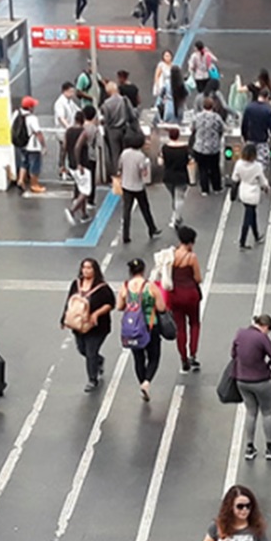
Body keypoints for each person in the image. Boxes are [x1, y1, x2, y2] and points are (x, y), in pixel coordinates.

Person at [231, 314, 271, 461]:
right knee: (267, 413)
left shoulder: (240, 333)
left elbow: (233, 353)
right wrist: (266, 364)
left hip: (242, 380)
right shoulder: (262, 338)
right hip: (261, 380)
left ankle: (249, 447)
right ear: (265, 326)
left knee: (251, 412)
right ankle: (270, 447)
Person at [61, 259, 115, 392]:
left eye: (89, 268)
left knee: (91, 351)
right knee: (82, 349)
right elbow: (69, 301)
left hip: (97, 327)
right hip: (80, 326)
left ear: (95, 270)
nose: (86, 270)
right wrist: (64, 318)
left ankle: (92, 379)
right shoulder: (76, 284)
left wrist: (96, 314)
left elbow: (111, 303)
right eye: (84, 267)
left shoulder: (102, 287)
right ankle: (98, 360)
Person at [117, 258, 166, 401]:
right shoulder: (150, 286)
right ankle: (147, 382)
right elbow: (162, 307)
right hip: (151, 325)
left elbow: (119, 306)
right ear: (144, 270)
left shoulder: (125, 286)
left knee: (138, 358)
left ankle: (141, 382)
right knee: (154, 357)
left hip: (133, 328)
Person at [200, 486, 269, 541]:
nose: (245, 510)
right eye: (240, 506)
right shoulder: (219, 526)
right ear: (230, 507)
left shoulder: (256, 529)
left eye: (248, 506)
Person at [169, 226, 202, 372]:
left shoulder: (171, 255)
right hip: (190, 294)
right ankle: (193, 354)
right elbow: (198, 278)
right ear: (191, 242)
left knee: (180, 328)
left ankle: (183, 358)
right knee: (194, 323)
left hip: (175, 295)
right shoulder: (191, 257)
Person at [119, 135, 162, 244]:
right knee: (145, 208)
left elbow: (120, 167)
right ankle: (152, 228)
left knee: (126, 211)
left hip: (126, 185)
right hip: (138, 186)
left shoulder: (125, 153)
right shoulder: (140, 156)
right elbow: (144, 172)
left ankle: (125, 235)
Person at [232, 143, 270, 251]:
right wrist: (266, 188)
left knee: (251, 213)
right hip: (253, 193)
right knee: (248, 218)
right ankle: (242, 241)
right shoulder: (257, 166)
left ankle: (257, 235)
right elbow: (262, 181)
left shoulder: (239, 164)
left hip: (243, 191)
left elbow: (235, 178)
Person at [191, 97, 225, 196]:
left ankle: (204, 189)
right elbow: (222, 128)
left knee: (202, 169)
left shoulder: (197, 117)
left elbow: (192, 128)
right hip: (213, 147)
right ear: (212, 106)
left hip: (200, 147)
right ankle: (216, 187)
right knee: (215, 168)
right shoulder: (216, 117)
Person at [101, 82, 136, 178]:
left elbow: (106, 120)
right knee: (126, 153)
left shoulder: (106, 104)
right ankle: (128, 174)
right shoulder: (125, 100)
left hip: (112, 131)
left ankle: (117, 175)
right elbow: (132, 115)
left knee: (115, 155)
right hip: (125, 130)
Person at [14, 96, 47, 194]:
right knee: (34, 165)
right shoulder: (32, 118)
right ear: (30, 107)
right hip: (32, 145)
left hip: (21, 143)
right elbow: (38, 133)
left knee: (24, 163)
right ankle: (34, 185)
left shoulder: (16, 114)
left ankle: (20, 180)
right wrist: (43, 145)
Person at [160, 127, 190, 227]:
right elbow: (187, 161)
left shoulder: (165, 148)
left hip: (168, 176)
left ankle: (176, 215)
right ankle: (177, 218)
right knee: (179, 198)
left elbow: (161, 162)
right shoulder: (184, 148)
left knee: (174, 196)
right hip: (181, 175)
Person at [241, 88, 271, 168]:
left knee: (248, 163)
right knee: (261, 165)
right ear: (267, 97)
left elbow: (244, 124)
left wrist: (244, 136)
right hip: (262, 141)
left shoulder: (249, 107)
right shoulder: (268, 110)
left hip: (250, 140)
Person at [73, 105, 100, 208]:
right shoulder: (94, 128)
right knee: (91, 178)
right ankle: (90, 200)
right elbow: (98, 143)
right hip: (91, 155)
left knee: (80, 178)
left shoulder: (81, 127)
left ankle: (77, 197)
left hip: (81, 156)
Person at [54, 82, 80, 179]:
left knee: (69, 150)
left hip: (70, 130)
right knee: (63, 150)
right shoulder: (60, 103)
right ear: (64, 91)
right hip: (63, 131)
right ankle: (62, 168)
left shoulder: (70, 101)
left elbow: (77, 110)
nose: (72, 94)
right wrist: (68, 127)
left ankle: (68, 168)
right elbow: (61, 117)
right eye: (70, 91)